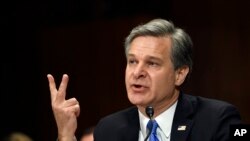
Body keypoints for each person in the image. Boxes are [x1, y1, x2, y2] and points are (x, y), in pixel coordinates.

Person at [47, 18, 241, 141]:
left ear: (179, 74)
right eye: (132, 61)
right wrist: (65, 134)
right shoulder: (110, 129)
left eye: (152, 63)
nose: (137, 72)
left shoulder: (218, 119)